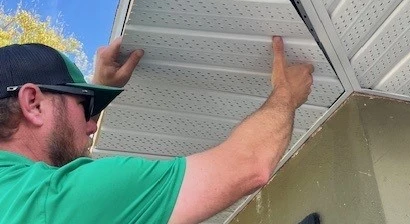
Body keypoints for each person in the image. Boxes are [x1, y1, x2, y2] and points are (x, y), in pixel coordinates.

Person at [0, 36, 314, 224]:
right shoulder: (56, 202)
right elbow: (249, 165)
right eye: (85, 107)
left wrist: (93, 93)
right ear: (33, 103)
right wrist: (286, 93)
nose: (93, 125)